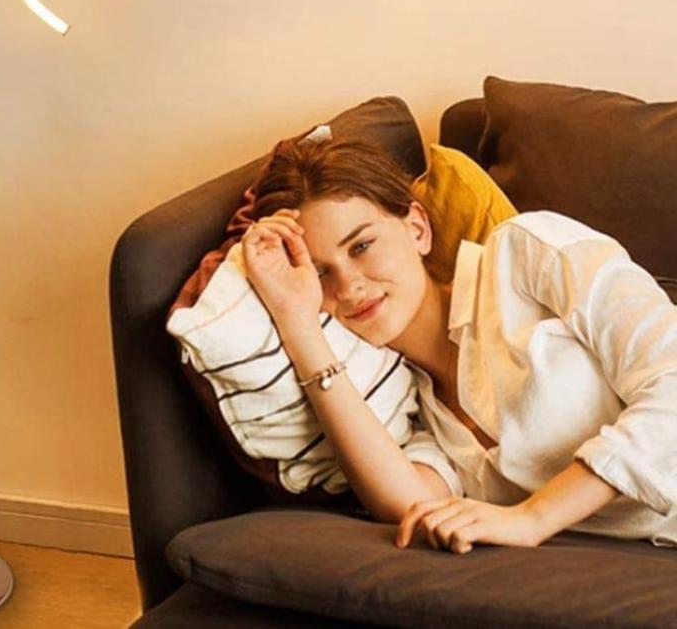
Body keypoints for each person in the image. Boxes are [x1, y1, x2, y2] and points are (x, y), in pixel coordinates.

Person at [241, 137, 677, 554]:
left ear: (417, 228)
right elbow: (410, 504)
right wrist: (298, 325)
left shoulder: (525, 253)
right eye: (320, 272)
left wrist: (533, 518)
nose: (349, 286)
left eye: (362, 246)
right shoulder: (411, 408)